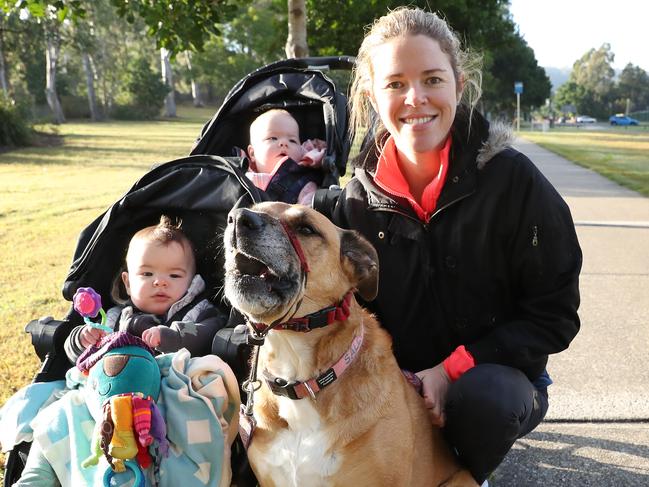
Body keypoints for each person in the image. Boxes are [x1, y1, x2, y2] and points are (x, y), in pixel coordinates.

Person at [313, 7, 582, 485]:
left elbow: (553, 316)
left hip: (494, 378)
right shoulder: (351, 206)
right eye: (395, 83)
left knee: (486, 402)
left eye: (432, 79)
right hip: (390, 384)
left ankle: (464, 474)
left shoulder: (516, 183)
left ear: (458, 84)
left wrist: (451, 370)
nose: (415, 98)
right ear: (373, 95)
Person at [64, 215, 226, 362]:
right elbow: (79, 358)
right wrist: (82, 339)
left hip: (177, 386)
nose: (160, 282)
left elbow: (212, 332)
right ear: (127, 283)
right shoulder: (115, 318)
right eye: (147, 273)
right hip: (119, 387)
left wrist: (173, 337)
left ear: (192, 282)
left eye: (174, 275)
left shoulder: (199, 311)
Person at [246, 108, 325, 205]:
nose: (284, 143)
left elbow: (309, 214)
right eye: (273, 138)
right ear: (253, 153)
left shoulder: (304, 185)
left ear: (301, 150)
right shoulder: (240, 176)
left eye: (292, 141)